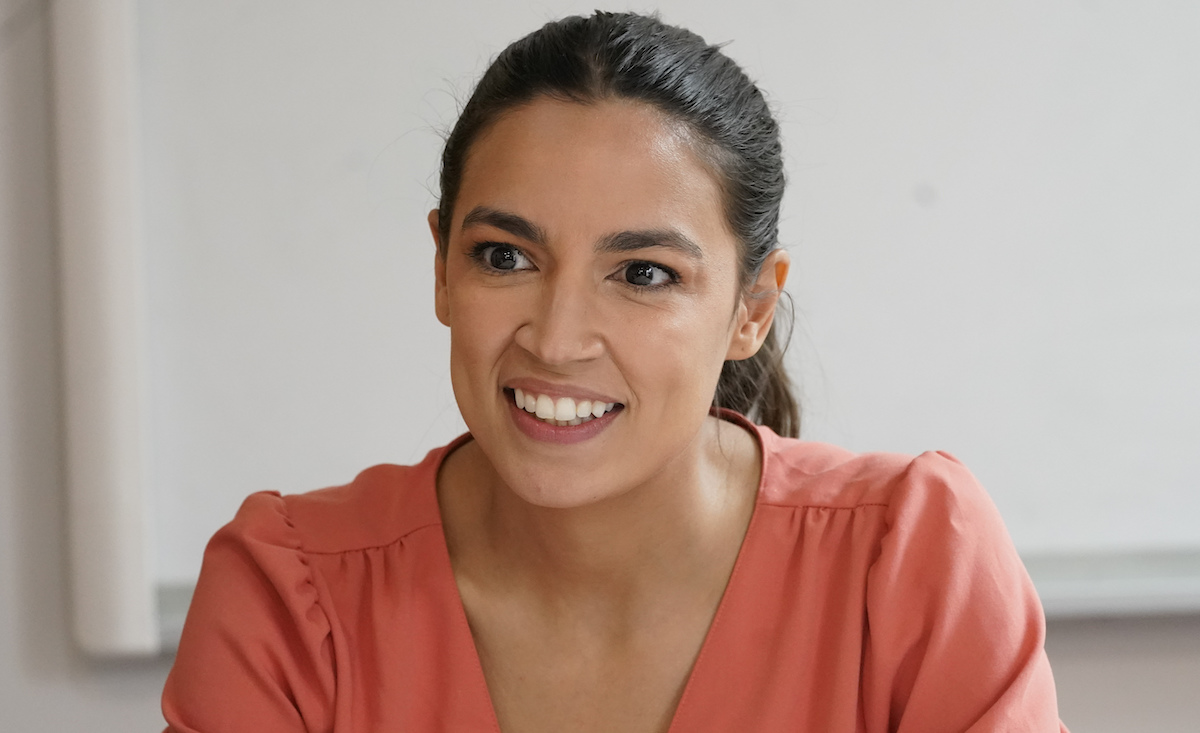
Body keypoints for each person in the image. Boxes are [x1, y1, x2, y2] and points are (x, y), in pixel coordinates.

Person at [162, 11, 1068, 732]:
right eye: (506, 257)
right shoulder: (291, 594)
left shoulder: (909, 563)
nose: (556, 340)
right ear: (441, 266)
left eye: (643, 274)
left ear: (751, 307)